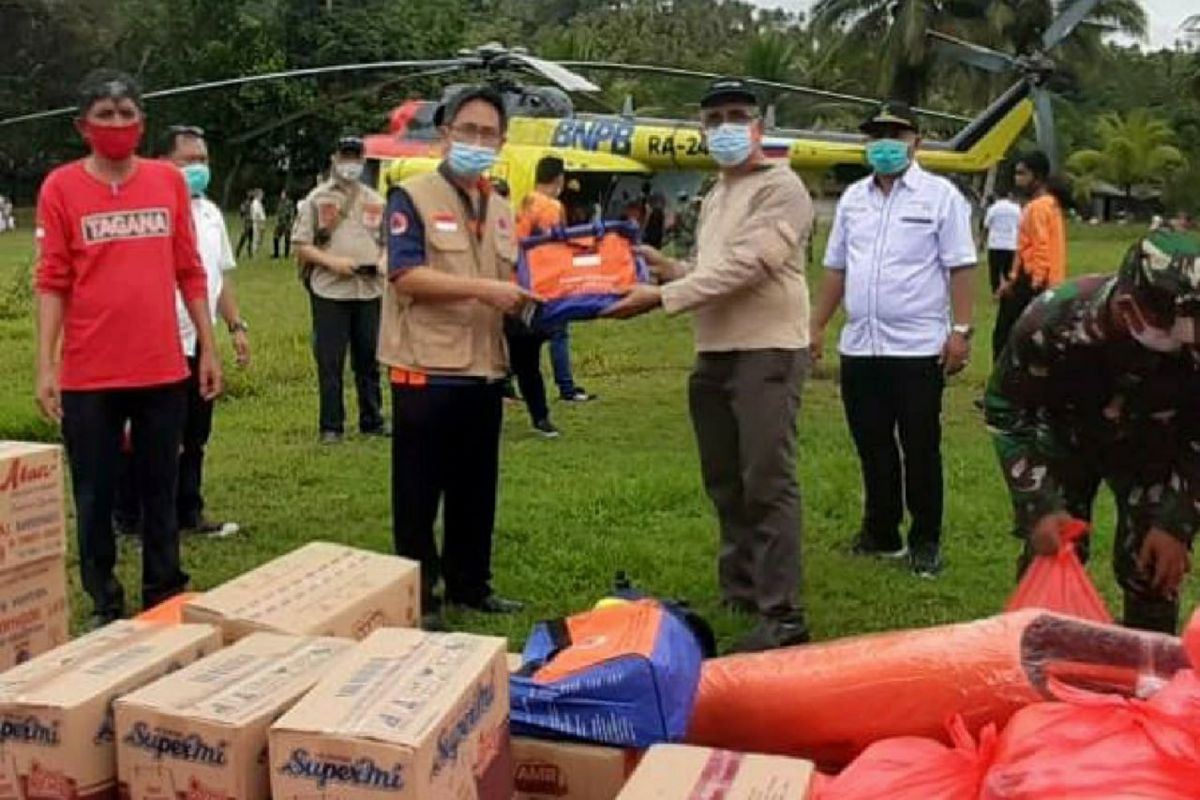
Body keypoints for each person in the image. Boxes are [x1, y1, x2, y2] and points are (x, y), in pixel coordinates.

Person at [604, 78, 815, 652]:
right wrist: (664, 267)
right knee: (725, 478)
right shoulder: (717, 193)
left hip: (767, 347)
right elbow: (710, 267)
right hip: (715, 349)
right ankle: (741, 587)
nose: (725, 126)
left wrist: (662, 298)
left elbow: (749, 266)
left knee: (767, 479)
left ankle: (784, 616)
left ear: (758, 127)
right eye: (715, 117)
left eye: (736, 115)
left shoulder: (783, 188)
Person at [34, 70, 222, 626]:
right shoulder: (60, 188)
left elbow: (190, 270)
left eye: (126, 114)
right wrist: (46, 365)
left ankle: (164, 590)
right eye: (105, 115)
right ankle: (104, 599)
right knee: (94, 492)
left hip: (162, 368)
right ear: (82, 125)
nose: (117, 124)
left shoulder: (167, 183)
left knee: (159, 486)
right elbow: (53, 281)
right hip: (90, 373)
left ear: (142, 122)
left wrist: (207, 349)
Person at [984, 229, 1200, 634]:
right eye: (1176, 327)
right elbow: (1006, 409)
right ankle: (1039, 676)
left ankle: (1149, 683)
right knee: (1049, 555)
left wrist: (1177, 520)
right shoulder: (1052, 320)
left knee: (1152, 571)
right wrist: (1038, 502)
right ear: (1128, 308)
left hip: (1155, 450)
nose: (1187, 338)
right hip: (1066, 441)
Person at [810, 101, 977, 579]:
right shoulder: (853, 199)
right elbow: (837, 267)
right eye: (876, 135)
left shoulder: (939, 196)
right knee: (872, 444)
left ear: (916, 141)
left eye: (896, 135)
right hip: (862, 345)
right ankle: (880, 532)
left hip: (918, 347)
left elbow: (960, 267)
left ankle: (925, 540)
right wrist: (817, 323)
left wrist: (960, 331)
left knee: (921, 446)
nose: (885, 144)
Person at [381, 86, 529, 625]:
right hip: (426, 366)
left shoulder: (504, 208)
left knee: (476, 487)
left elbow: (514, 279)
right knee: (419, 493)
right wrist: (487, 292)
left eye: (488, 133)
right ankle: (422, 596)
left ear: (502, 141)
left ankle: (472, 584)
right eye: (467, 131)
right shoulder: (412, 197)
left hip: (484, 368)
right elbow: (405, 274)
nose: (477, 141)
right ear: (445, 135)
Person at [113, 124, 249, 540]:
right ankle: (131, 517)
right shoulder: (147, 213)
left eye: (203, 160)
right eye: (188, 161)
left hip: (198, 342)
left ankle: (188, 510)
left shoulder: (209, 214)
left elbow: (218, 277)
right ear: (160, 164)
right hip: (154, 342)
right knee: (150, 435)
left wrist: (236, 325)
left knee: (195, 432)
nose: (198, 168)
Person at [292, 136, 387, 444]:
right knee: (330, 361)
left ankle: (372, 419)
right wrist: (332, 262)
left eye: (356, 157)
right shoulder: (317, 199)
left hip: (369, 289)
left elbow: (388, 242)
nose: (350, 164)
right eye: (345, 156)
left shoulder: (375, 199)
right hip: (331, 289)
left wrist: (382, 262)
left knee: (369, 359)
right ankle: (331, 425)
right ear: (334, 158)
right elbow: (301, 245)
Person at [992, 151, 1068, 362]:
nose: (1018, 180)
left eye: (1022, 174)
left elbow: (1040, 247)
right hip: (1039, 279)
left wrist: (1036, 285)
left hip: (1034, 280)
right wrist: (1011, 279)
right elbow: (1025, 247)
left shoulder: (1037, 208)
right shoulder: (1050, 204)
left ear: (1037, 176)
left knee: (1006, 336)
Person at [983, 191, 1021, 295]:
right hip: (1011, 244)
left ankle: (996, 291)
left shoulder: (993, 208)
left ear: (997, 196)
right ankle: (1009, 290)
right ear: (1009, 195)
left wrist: (983, 241)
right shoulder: (1016, 209)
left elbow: (986, 226)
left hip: (995, 243)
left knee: (994, 270)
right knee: (1009, 270)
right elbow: (1020, 225)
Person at [273, 190, 296, 259]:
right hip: (280, 223)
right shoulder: (280, 203)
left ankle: (286, 255)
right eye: (281, 194)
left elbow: (292, 212)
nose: (282, 195)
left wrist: (291, 221)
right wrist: (276, 220)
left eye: (283, 194)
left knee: (287, 239)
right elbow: (278, 212)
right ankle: (276, 254)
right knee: (275, 237)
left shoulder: (289, 203)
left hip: (286, 223)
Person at [235, 190, 254, 259]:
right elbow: (242, 213)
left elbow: (241, 213)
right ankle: (241, 252)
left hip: (249, 223)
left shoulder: (245, 203)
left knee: (248, 239)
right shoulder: (248, 204)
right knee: (246, 239)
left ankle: (243, 252)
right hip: (248, 223)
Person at [249, 188, 267, 255]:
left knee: (259, 238)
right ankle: (254, 252)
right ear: (258, 195)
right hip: (258, 222)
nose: (262, 196)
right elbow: (256, 214)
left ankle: (256, 251)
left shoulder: (259, 203)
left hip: (260, 222)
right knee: (256, 238)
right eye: (261, 194)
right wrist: (259, 223)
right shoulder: (256, 203)